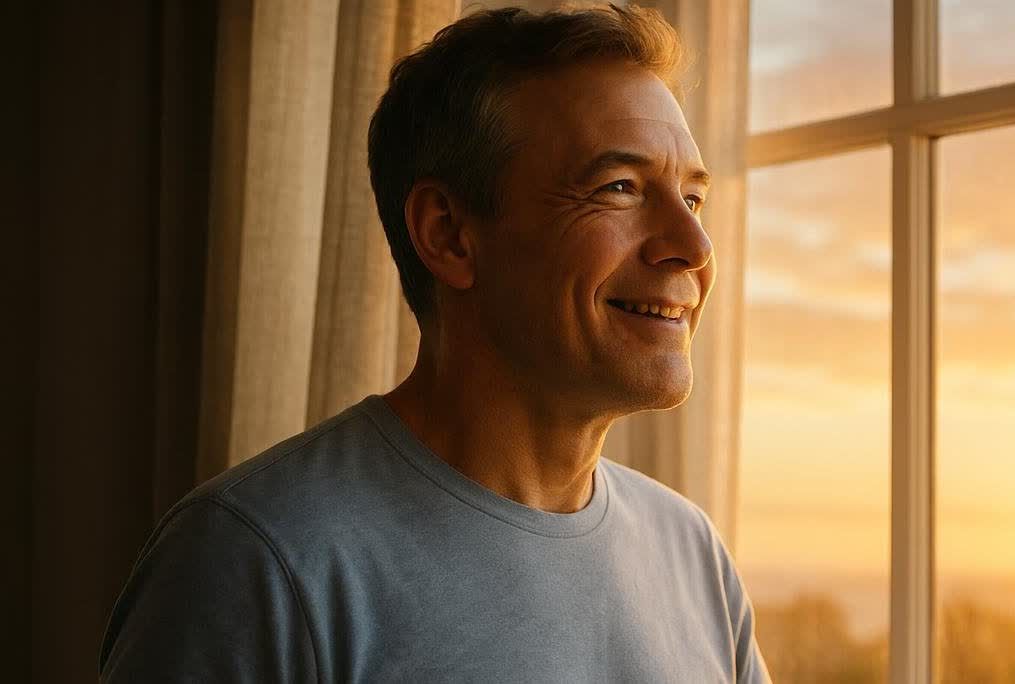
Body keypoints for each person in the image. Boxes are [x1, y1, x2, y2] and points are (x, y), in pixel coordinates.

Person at [99, 5, 769, 682]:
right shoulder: (255, 560)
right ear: (448, 234)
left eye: (692, 198)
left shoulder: (695, 557)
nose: (694, 247)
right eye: (619, 188)